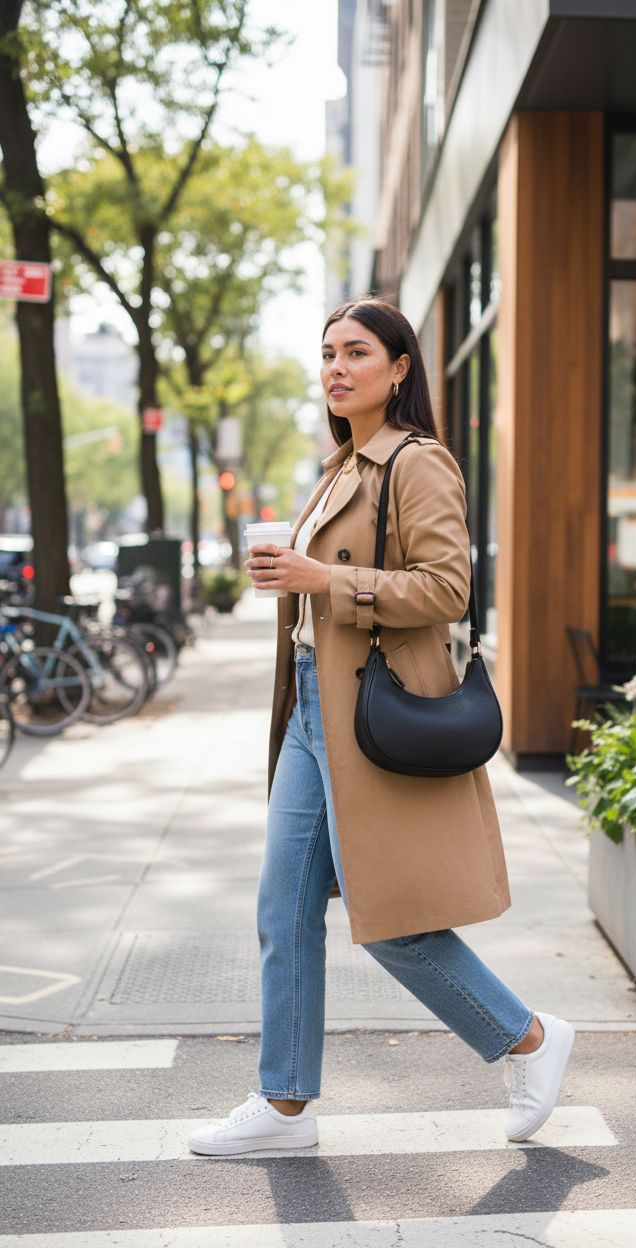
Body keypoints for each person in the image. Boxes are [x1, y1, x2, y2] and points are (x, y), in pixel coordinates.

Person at [187, 298, 574, 1157]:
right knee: (280, 909)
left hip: (372, 716)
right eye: (326, 353)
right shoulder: (339, 467)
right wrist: (299, 580)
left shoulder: (417, 462)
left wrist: (326, 579)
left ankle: (531, 1039)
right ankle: (284, 1105)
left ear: (399, 367)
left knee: (394, 921)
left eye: (356, 352)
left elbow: (446, 590)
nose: (336, 367)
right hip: (309, 713)